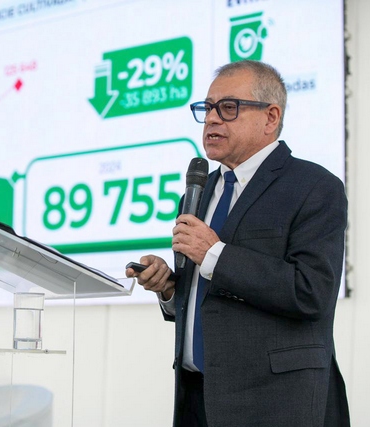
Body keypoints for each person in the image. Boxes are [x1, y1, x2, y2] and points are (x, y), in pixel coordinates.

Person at [126, 60, 350, 427]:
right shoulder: (199, 193)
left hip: (275, 404)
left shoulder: (314, 187)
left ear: (270, 117)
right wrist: (169, 288)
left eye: (228, 107)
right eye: (207, 108)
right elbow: (207, 297)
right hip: (196, 398)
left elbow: (312, 292)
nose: (212, 119)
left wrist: (214, 254)